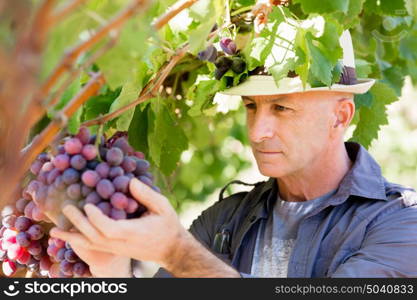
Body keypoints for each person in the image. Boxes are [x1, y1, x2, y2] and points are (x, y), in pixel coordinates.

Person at [50, 29, 417, 278]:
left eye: (282, 109)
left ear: (341, 115)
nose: (257, 132)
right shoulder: (224, 219)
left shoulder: (401, 223)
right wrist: (110, 265)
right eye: (251, 107)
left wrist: (178, 252)